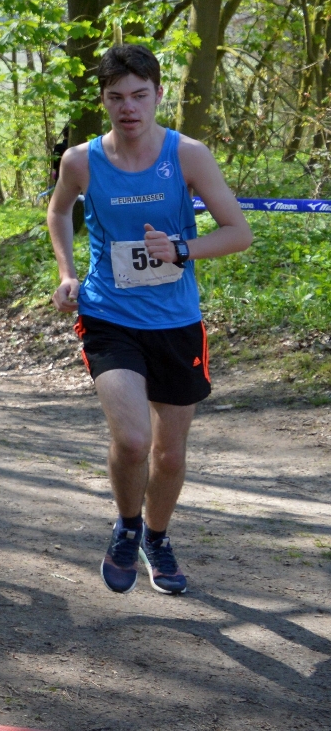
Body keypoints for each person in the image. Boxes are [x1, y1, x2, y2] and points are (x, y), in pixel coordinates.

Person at [47, 44, 252, 596]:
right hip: (109, 315)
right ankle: (127, 525)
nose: (129, 108)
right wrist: (67, 272)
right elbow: (59, 209)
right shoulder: (81, 161)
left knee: (169, 452)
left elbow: (238, 232)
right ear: (103, 100)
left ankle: (156, 538)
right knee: (135, 440)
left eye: (140, 95)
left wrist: (182, 249)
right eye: (116, 97)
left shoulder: (188, 155)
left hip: (176, 322)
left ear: (159, 94)